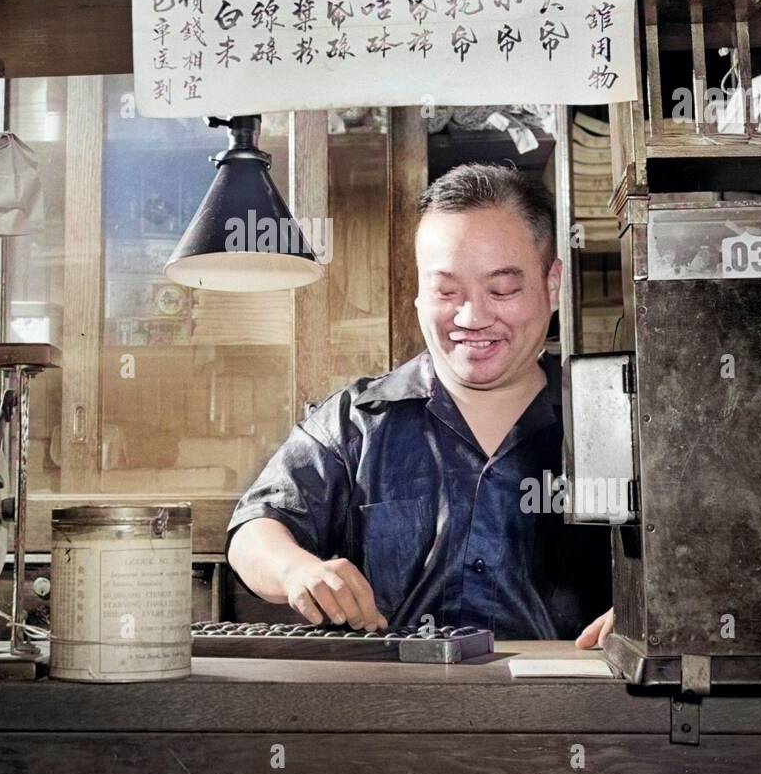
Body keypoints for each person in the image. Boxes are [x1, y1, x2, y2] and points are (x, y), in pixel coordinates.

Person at [226, 162, 615, 648]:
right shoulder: (358, 422)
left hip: (573, 711)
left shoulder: (614, 420)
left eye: (502, 289)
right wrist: (295, 568)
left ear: (552, 284)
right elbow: (255, 529)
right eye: (446, 291)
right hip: (392, 708)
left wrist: (650, 610)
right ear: (418, 292)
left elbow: (704, 548)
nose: (472, 317)